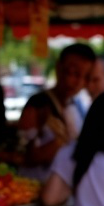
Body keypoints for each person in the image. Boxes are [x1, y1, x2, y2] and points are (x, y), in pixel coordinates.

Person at [17, 43, 95, 178]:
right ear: (59, 67)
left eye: (85, 76)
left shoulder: (77, 105)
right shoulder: (37, 105)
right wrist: (61, 142)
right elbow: (24, 156)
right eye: (73, 73)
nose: (78, 81)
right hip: (36, 185)